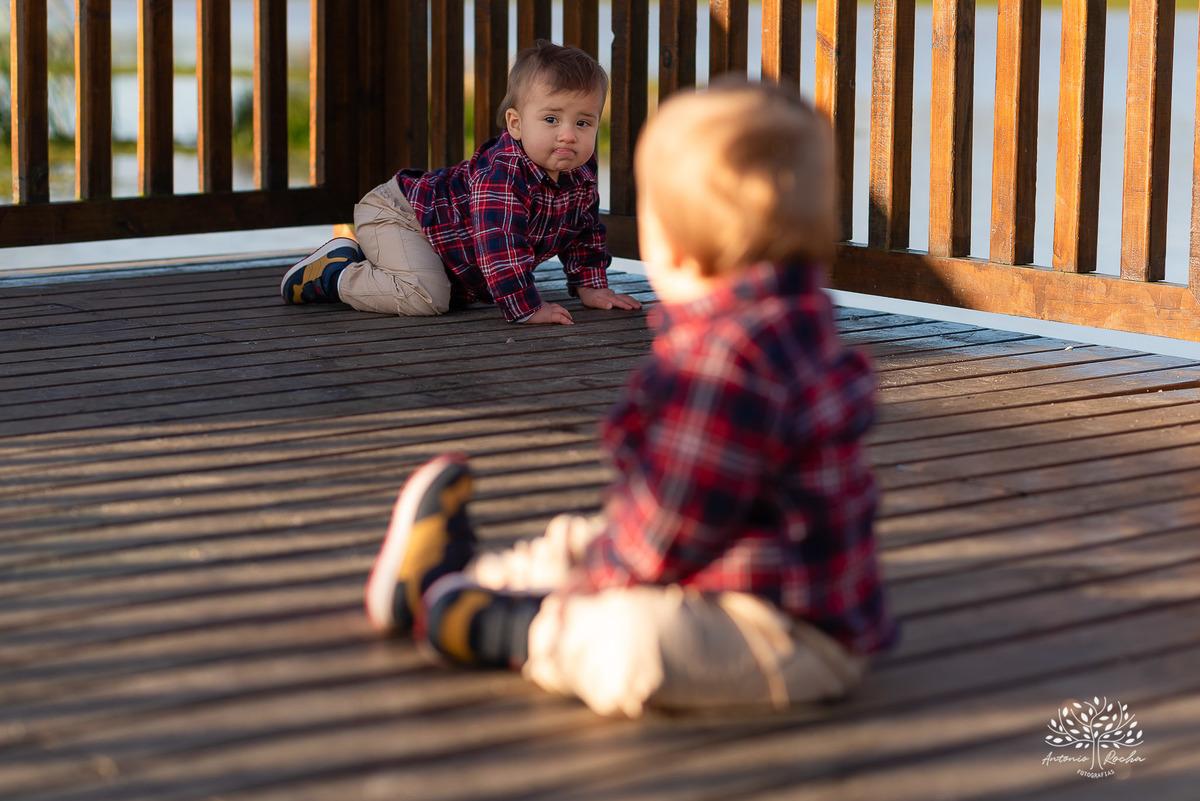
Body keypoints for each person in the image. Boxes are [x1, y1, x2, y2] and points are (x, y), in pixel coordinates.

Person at [363, 81, 898, 717]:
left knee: (637, 640)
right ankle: (459, 580)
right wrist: (607, 554)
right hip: (729, 562)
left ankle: (498, 621)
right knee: (596, 535)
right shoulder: (800, 322)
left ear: (671, 247)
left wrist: (599, 576)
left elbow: (663, 534)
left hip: (785, 632)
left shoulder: (726, 364)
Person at [280, 40, 641, 324]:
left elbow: (585, 229)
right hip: (400, 214)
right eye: (551, 119)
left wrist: (591, 285)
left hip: (439, 239)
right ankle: (334, 275)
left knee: (444, 294)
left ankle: (380, 263)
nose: (568, 136)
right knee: (426, 298)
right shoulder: (502, 176)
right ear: (515, 124)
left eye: (583, 123)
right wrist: (526, 308)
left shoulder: (580, 172)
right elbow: (500, 247)